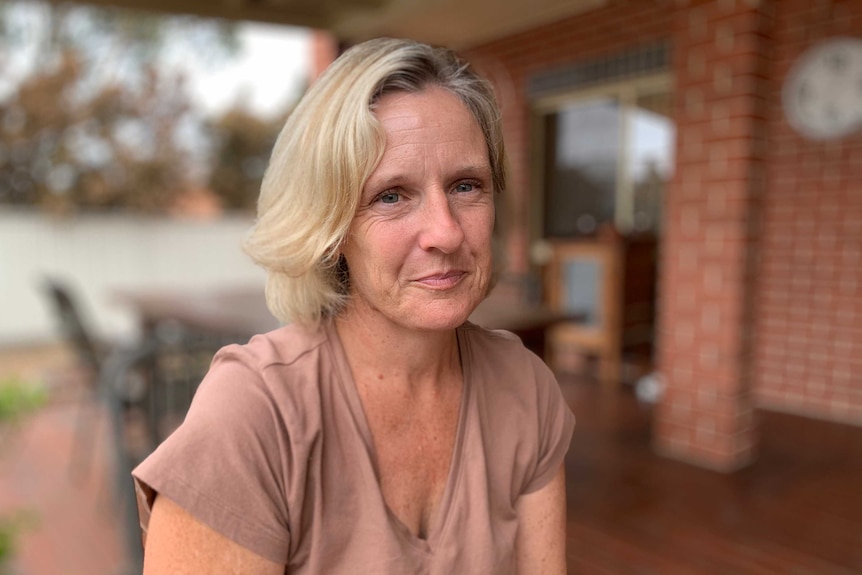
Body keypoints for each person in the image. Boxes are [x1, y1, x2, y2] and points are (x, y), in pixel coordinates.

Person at [132, 37, 576, 574]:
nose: (446, 231)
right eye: (391, 195)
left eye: (466, 185)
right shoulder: (253, 418)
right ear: (332, 227)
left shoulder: (527, 391)